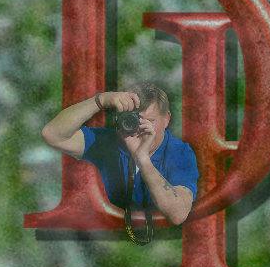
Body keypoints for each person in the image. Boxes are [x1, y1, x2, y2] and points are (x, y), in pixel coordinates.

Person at [45, 83, 204, 224]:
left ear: (167, 119)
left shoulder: (179, 152)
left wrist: (142, 159)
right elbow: (52, 134)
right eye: (134, 120)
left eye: (150, 121)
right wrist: (100, 101)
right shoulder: (109, 141)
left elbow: (178, 214)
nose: (140, 127)